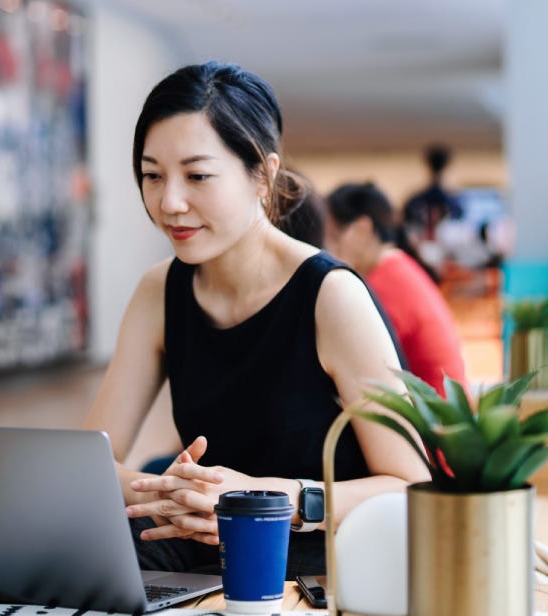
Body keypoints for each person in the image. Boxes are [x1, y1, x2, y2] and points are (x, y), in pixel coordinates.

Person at [84, 62, 428, 578]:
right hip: (203, 545)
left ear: (263, 176)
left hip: (320, 558)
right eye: (152, 175)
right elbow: (88, 462)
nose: (170, 202)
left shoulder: (330, 296)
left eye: (198, 176)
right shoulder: (160, 290)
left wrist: (261, 499)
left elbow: (410, 487)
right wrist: (181, 494)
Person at [324, 181, 467, 397]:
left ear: (362, 229)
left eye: (333, 237)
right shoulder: (398, 268)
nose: (328, 250)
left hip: (432, 423)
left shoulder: (383, 284)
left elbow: (364, 366)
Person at [401, 144, 463, 279]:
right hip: (442, 256)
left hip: (421, 255)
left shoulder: (415, 200)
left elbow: (407, 230)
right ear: (448, 166)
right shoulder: (453, 201)